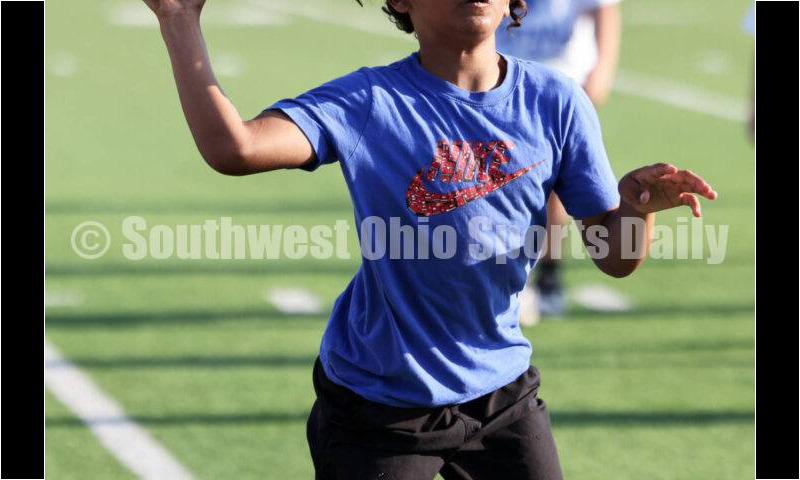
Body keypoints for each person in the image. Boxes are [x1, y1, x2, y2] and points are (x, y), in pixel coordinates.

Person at [141, 0, 717, 478]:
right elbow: (234, 149)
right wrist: (178, 19)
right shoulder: (368, 102)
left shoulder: (556, 101)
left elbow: (615, 258)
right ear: (401, 3)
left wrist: (638, 209)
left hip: (500, 390)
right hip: (379, 402)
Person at [496, 0, 623, 322]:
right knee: (498, 179)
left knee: (554, 185)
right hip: (503, 75)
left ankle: (549, 273)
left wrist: (602, 68)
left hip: (561, 77)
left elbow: (604, 8)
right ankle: (503, 272)